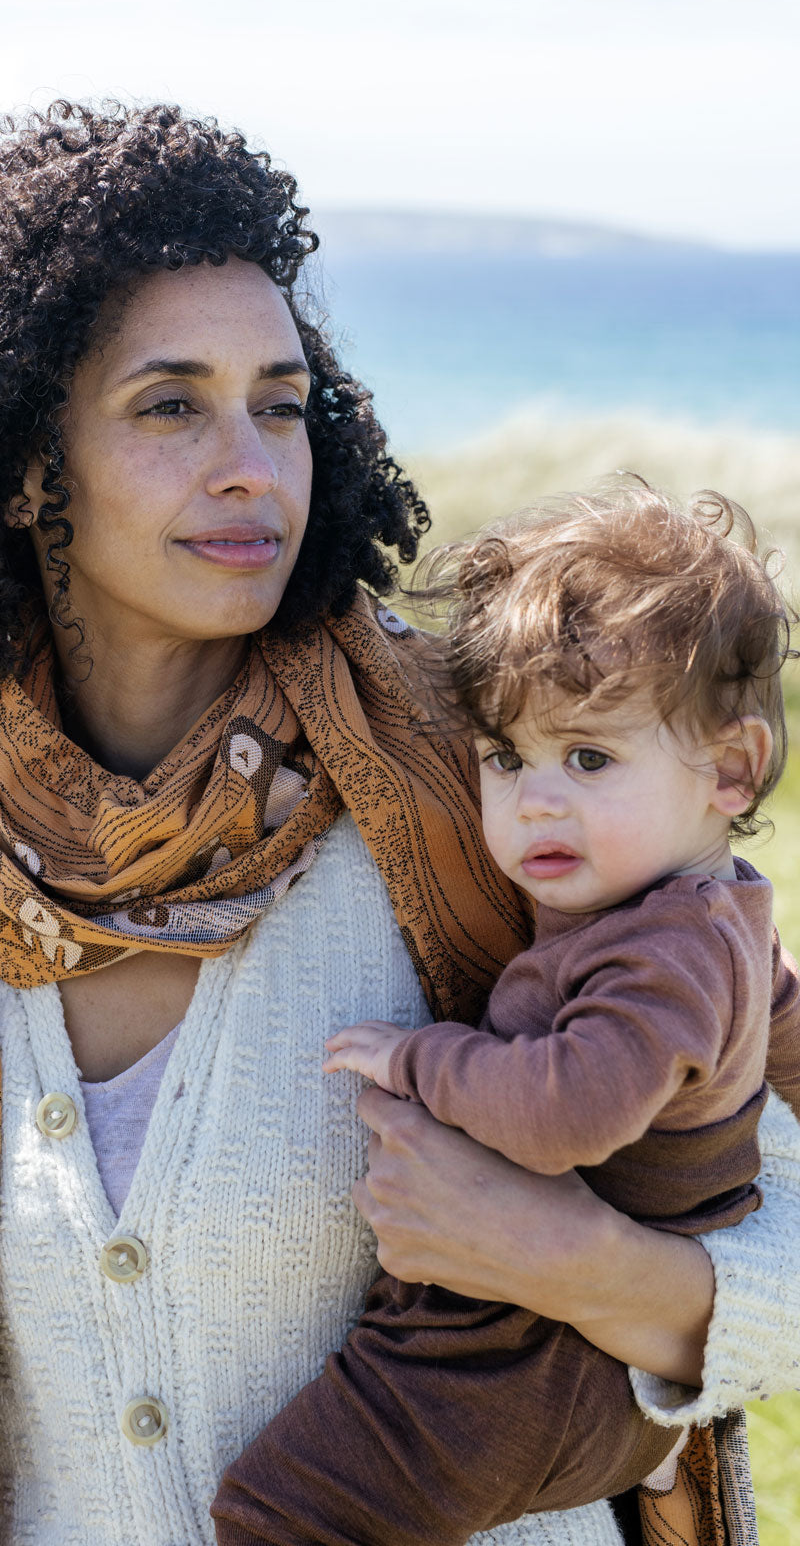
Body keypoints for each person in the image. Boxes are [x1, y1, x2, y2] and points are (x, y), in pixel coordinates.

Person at [0, 103, 800, 1546]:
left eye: (281, 405)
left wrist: (594, 1265)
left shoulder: (479, 789)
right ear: (29, 466)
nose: (251, 465)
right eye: (172, 406)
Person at [214, 484, 800, 1545]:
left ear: (732, 767)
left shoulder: (664, 952)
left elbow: (565, 1114)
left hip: (529, 1363)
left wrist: (426, 1059)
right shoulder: (720, 919)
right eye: (504, 757)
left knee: (286, 1512)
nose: (535, 801)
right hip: (555, 1357)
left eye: (587, 758)